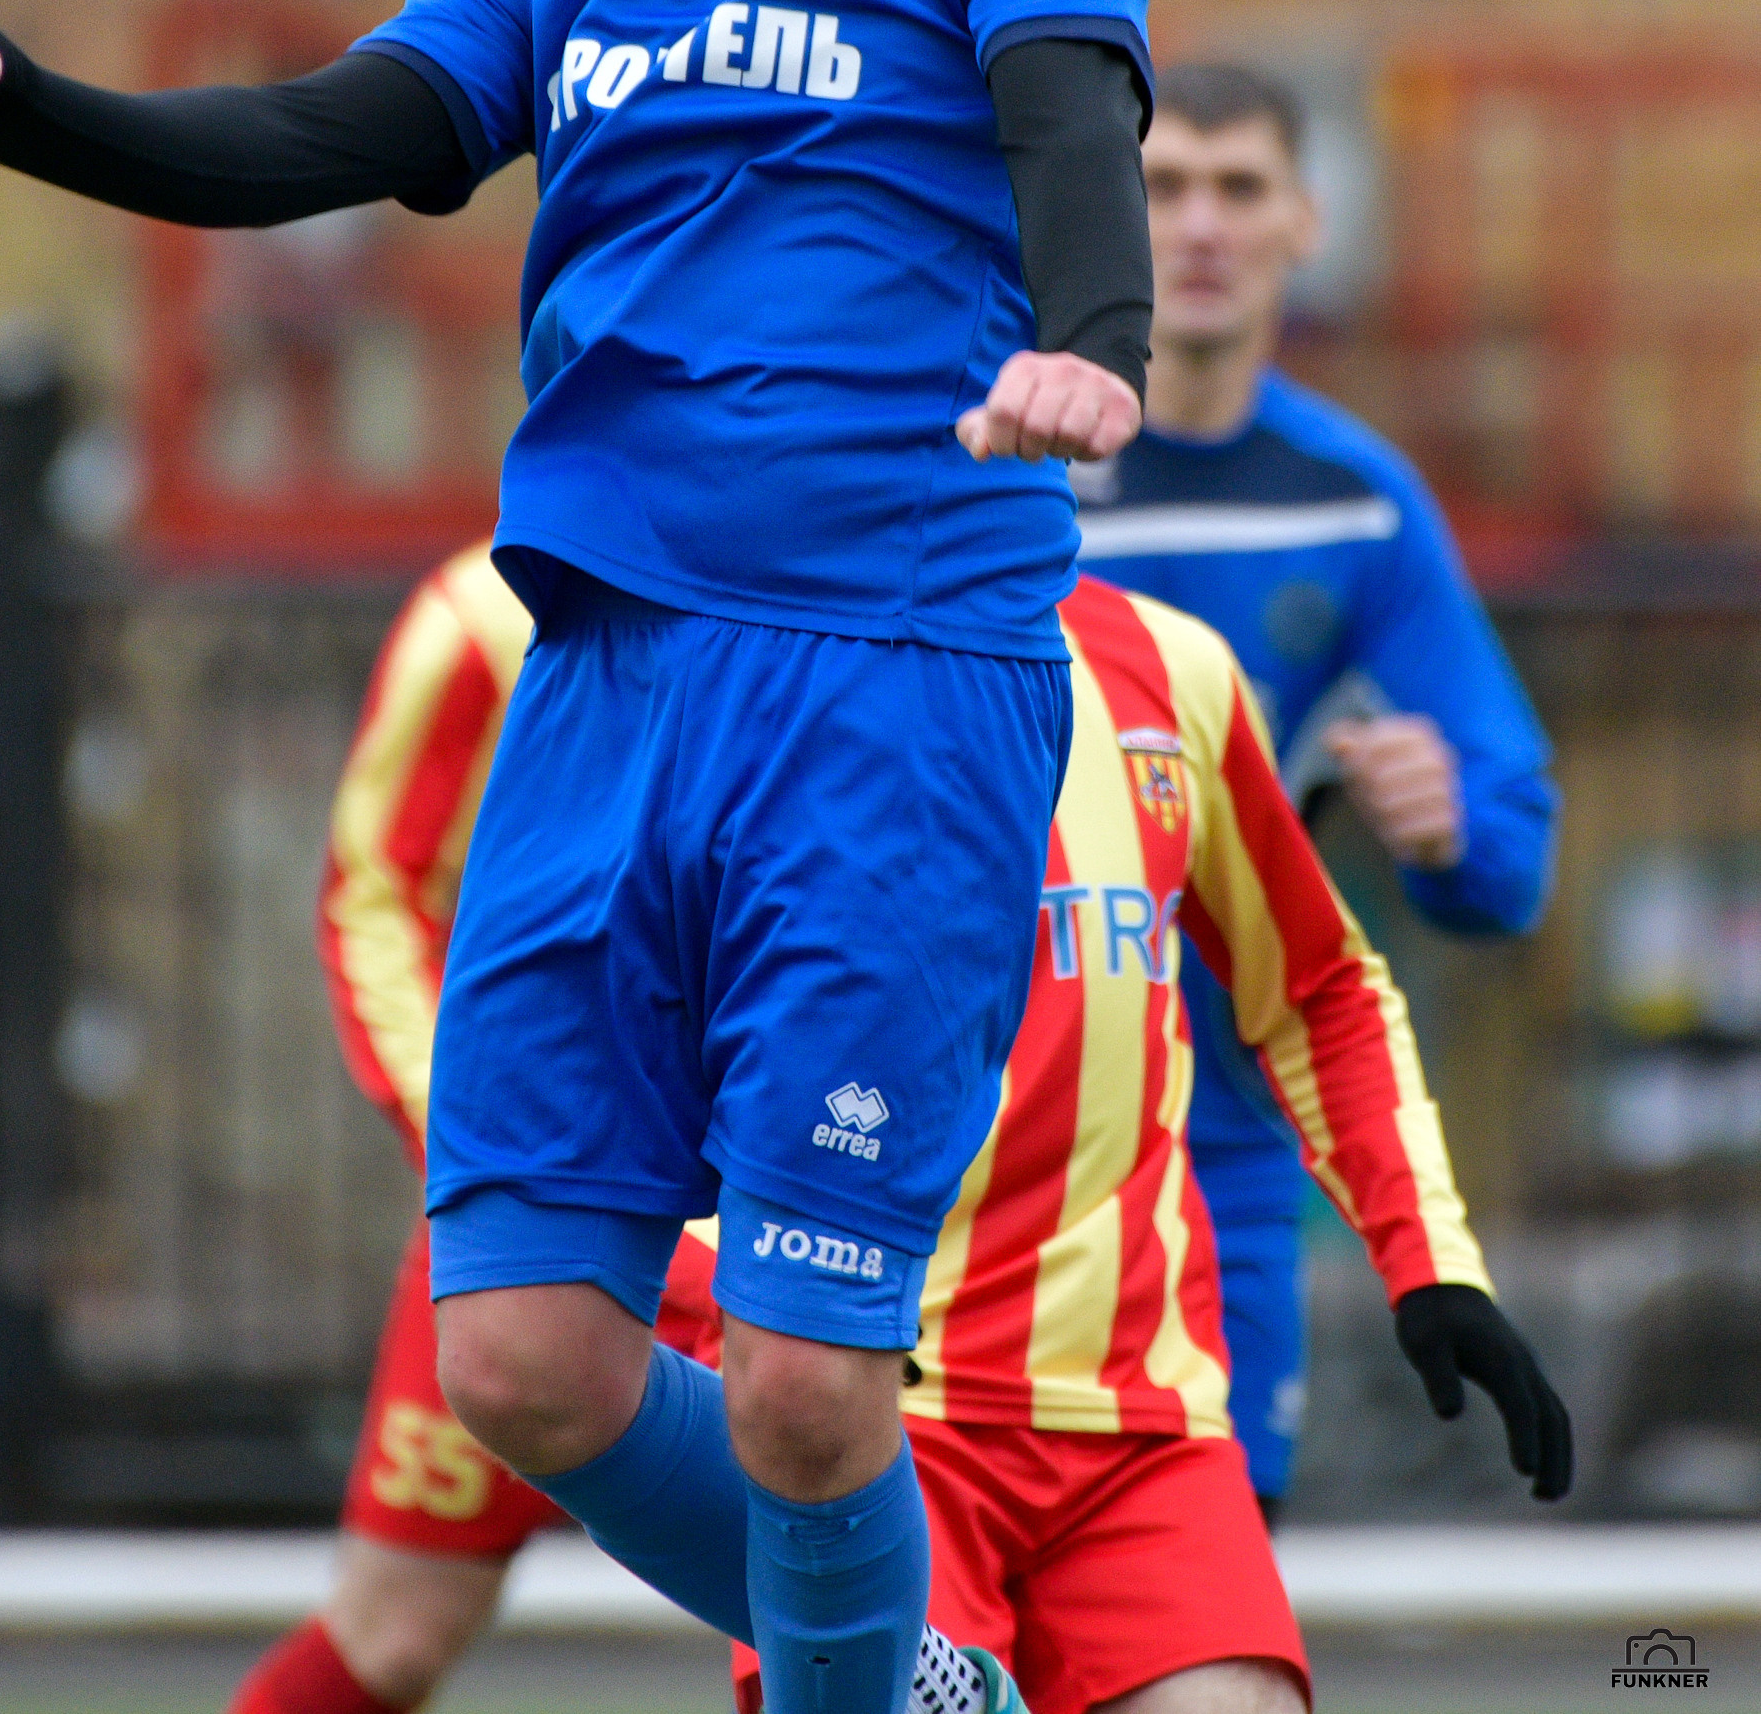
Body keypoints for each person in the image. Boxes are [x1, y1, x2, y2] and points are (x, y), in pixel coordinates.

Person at [0, 0, 1158, 1714]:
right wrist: (21, 109)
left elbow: (1070, 106)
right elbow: (319, 139)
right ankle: (919, 1667)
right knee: (527, 1362)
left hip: (885, 695)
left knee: (798, 1387)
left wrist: (1093, 343)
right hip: (597, 707)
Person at [245, 546, 1569, 1714]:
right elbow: (387, 901)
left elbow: (1322, 988)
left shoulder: (1171, 667)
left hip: (1128, 1417)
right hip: (823, 1377)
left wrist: (1429, 1253)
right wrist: (512, 1183)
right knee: (396, 1626)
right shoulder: (568, 624)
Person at [1070, 60, 1560, 1514]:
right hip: (971, 1148)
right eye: (1163, 187)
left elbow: (1510, 851)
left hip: (1215, 1168)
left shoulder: (1357, 502)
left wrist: (1450, 828)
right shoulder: (1006, 464)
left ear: (1306, 222)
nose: (1202, 225)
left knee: (1211, 1599)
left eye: (1239, 188)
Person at [232, 542, 717, 1714]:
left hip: (771, 1215)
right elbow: (374, 891)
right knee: (392, 1631)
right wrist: (476, 1147)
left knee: (854, 1587)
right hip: (545, 1208)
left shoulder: (827, 585)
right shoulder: (480, 613)